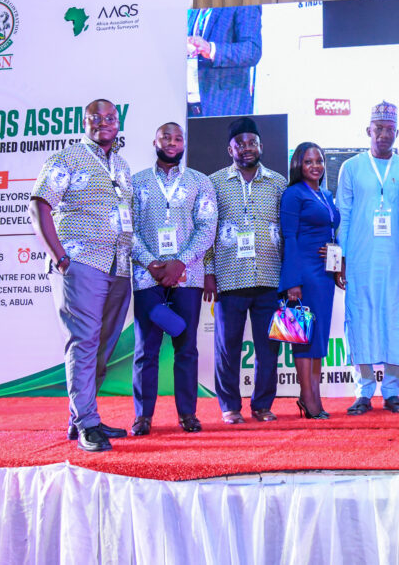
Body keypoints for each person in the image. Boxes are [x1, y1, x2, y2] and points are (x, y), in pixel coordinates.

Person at [29, 99, 133, 452]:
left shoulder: (122, 165)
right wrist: (61, 259)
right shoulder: (68, 158)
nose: (104, 122)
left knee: (102, 346)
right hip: (82, 262)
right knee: (84, 342)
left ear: (118, 123)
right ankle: (87, 423)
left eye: (110, 117)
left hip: (119, 266)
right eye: (96, 117)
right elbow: (39, 204)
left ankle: (81, 417)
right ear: (84, 122)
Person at [129, 122, 217, 436]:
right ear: (155, 142)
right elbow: (128, 228)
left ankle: (187, 414)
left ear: (184, 144)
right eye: (166, 137)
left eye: (178, 138)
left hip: (187, 275)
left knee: (186, 347)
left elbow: (207, 227)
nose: (172, 142)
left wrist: (179, 263)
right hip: (147, 276)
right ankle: (143, 416)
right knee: (146, 350)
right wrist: (152, 263)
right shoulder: (136, 182)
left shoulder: (200, 182)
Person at [204, 117, 287, 424]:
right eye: (240, 144)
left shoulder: (278, 183)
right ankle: (229, 406)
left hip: (270, 278)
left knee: (269, 349)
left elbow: (287, 232)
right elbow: (207, 231)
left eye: (252, 142)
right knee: (227, 349)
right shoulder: (213, 183)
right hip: (229, 278)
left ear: (261, 146)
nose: (247, 148)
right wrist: (209, 273)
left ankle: (262, 405)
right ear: (231, 149)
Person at [337, 101, 399, 415]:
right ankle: (363, 391)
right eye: (378, 129)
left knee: (395, 320)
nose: (384, 135)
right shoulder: (351, 167)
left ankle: (392, 392)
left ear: (397, 133)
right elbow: (343, 214)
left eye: (389, 129)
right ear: (368, 130)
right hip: (361, 259)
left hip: (397, 261)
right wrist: (341, 258)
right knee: (362, 320)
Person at [280, 142, 343, 420]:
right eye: (308, 161)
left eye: (319, 161)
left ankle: (314, 394)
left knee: (318, 336)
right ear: (298, 165)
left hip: (325, 275)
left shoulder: (326, 194)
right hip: (303, 273)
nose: (315, 166)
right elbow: (289, 238)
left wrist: (337, 259)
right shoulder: (293, 194)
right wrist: (292, 282)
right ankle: (307, 396)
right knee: (303, 336)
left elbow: (331, 231)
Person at [188, 5, 262, 116]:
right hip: (189, 107)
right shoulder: (194, 9)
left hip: (224, 108)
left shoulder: (244, 3)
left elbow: (252, 50)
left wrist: (212, 49)